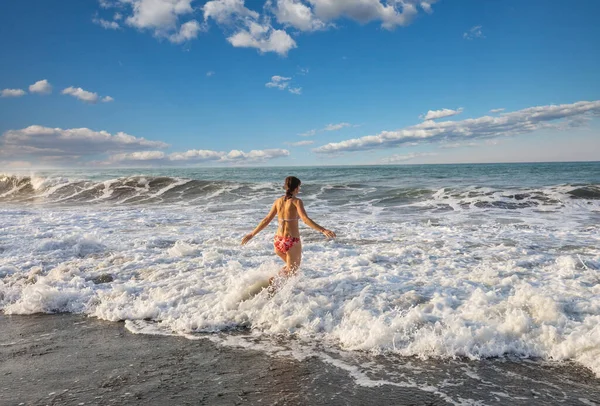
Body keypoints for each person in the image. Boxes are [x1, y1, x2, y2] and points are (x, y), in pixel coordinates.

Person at [241, 176, 336, 279]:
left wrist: (252, 234)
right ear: (296, 188)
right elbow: (305, 219)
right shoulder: (297, 201)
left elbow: (266, 219)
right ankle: (273, 281)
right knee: (292, 270)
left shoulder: (278, 201)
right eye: (299, 187)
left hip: (278, 240)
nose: (299, 189)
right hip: (291, 241)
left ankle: (277, 290)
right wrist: (323, 230)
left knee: (290, 269)